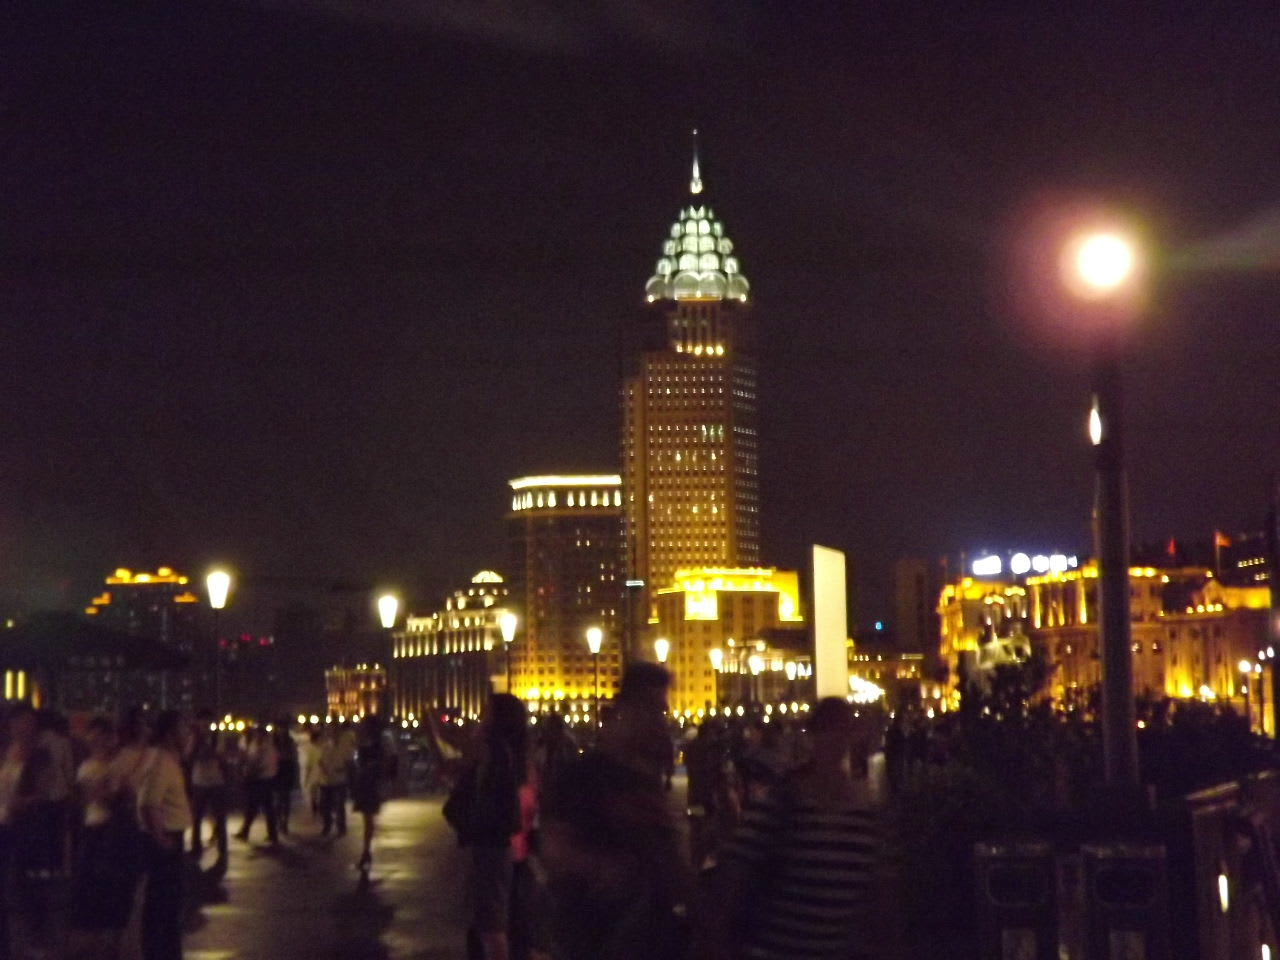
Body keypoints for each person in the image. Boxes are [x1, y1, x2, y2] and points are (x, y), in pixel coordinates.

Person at [702, 697, 885, 960]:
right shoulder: (785, 801)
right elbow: (736, 872)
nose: (834, 740)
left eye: (840, 730)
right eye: (829, 730)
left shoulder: (861, 810)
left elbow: (873, 893)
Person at [540, 664, 691, 960]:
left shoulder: (643, 780)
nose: (660, 723)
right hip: (597, 934)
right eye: (653, 711)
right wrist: (608, 869)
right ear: (627, 712)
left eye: (662, 713)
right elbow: (553, 848)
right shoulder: (583, 777)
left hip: (646, 936)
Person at [445, 693, 525, 960]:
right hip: (493, 843)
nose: (480, 717)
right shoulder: (505, 753)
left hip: (490, 844)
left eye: (486, 711)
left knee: (491, 925)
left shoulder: (496, 753)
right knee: (488, 921)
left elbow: (491, 801)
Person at [137, 710, 193, 960]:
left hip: (168, 837)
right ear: (170, 734)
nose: (188, 735)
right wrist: (160, 838)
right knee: (163, 905)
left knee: (167, 904)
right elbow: (148, 803)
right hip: (166, 839)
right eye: (183, 729)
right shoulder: (162, 763)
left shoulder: (168, 760)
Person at [350, 716, 390, 872]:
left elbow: (380, 765)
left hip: (368, 783)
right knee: (368, 820)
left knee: (368, 819)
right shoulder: (375, 744)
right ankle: (366, 851)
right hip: (366, 783)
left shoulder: (376, 744)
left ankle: (366, 852)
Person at [188, 720, 229, 866]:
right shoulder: (193, 738)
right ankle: (196, 848)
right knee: (196, 818)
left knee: (220, 817)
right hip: (199, 782)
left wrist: (209, 750)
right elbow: (189, 756)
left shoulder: (218, 737)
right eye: (202, 724)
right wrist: (198, 743)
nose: (205, 728)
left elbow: (220, 756)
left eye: (207, 724)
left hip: (216, 782)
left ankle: (222, 849)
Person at [236, 727, 279, 846]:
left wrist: (250, 773)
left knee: (256, 806)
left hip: (262, 779)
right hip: (262, 779)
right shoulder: (259, 745)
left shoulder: (264, 747)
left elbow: (258, 763)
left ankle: (247, 831)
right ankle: (271, 834)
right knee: (265, 807)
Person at [316, 727, 350, 837]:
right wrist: (324, 770)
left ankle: (341, 827)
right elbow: (320, 760)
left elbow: (348, 762)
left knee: (340, 805)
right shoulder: (325, 746)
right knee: (326, 805)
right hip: (326, 780)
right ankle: (327, 825)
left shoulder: (344, 747)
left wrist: (342, 770)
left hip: (339, 779)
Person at [272, 725, 300, 837]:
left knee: (285, 798)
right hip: (278, 770)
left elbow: (293, 756)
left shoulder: (290, 742)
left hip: (286, 769)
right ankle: (279, 821)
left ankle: (284, 822)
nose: (281, 731)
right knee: (278, 798)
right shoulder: (275, 742)